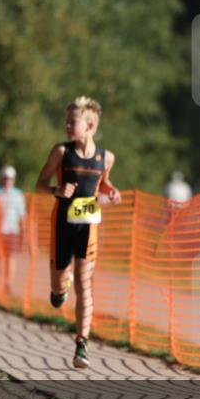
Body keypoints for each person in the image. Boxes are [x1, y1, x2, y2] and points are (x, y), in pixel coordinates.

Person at [35, 96, 121, 369]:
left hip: (89, 228)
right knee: (58, 290)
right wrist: (55, 191)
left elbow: (103, 183)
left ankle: (82, 344)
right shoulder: (61, 152)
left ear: (90, 125)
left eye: (73, 122)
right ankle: (61, 287)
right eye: (67, 122)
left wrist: (112, 191)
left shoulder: (106, 158)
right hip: (62, 224)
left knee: (85, 284)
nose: (67, 127)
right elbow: (40, 183)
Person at [0, 165, 27, 293]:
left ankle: (8, 283)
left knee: (11, 258)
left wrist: (24, 232)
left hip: (12, 231)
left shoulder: (18, 195)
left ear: (13, 180)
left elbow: (22, 215)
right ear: (1, 179)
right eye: (5, 178)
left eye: (10, 178)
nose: (7, 181)